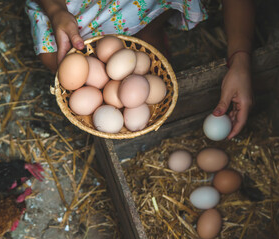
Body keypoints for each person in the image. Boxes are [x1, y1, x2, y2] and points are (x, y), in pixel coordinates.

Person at [25, 0, 254, 140]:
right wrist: (55, 10)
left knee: (147, 41)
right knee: (58, 57)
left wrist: (240, 60)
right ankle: (131, 46)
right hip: (77, 5)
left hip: (143, 2)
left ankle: (148, 30)